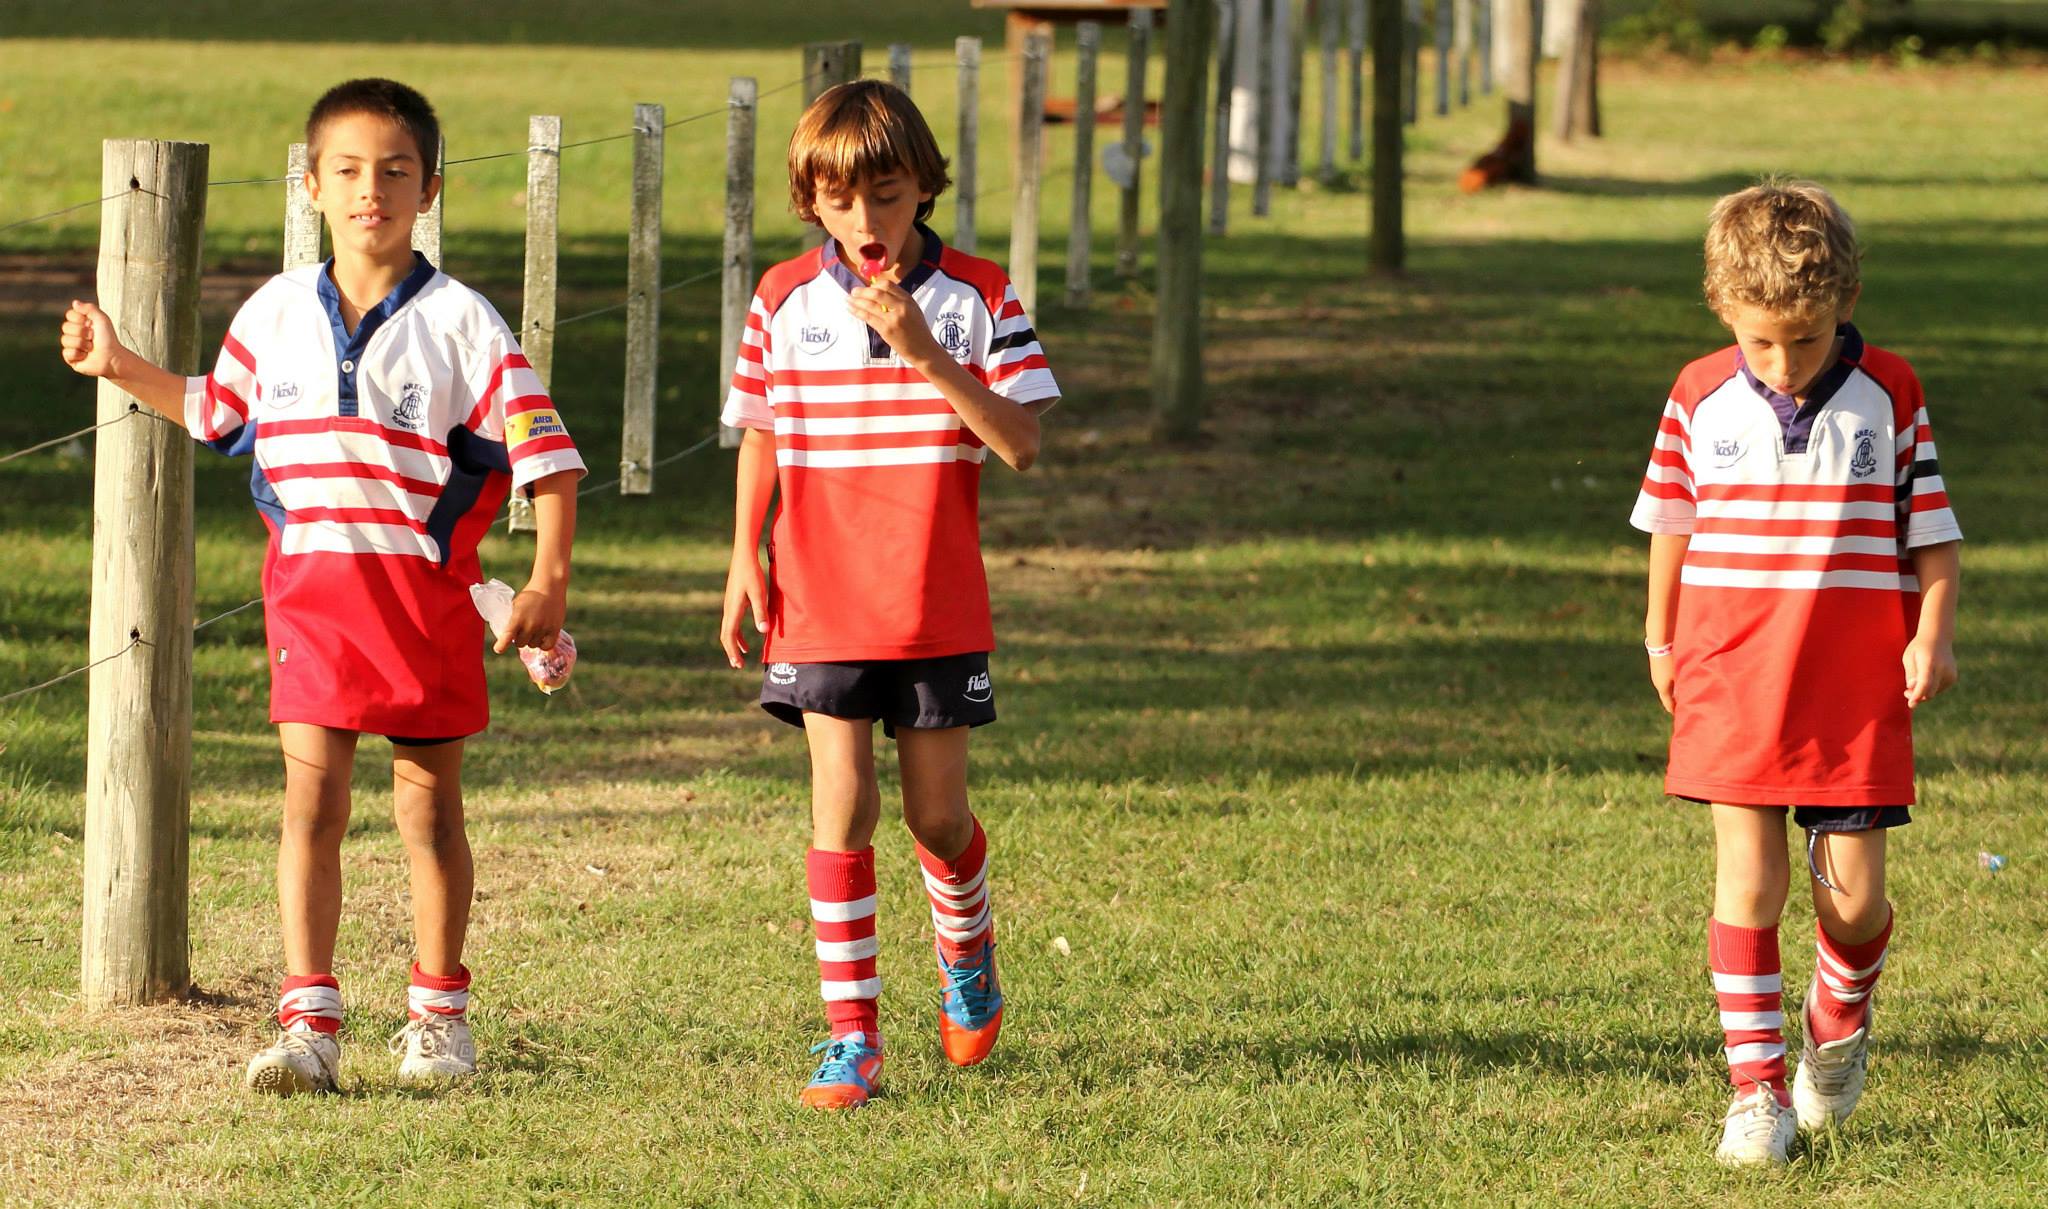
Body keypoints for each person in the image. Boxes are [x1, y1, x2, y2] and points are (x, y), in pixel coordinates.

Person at [59, 78, 585, 1094]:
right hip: (311, 599)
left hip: (425, 604)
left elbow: (548, 460)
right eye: (346, 170)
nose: (369, 191)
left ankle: (438, 1020)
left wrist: (550, 583)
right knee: (312, 806)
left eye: (394, 171)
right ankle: (309, 1025)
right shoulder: (274, 310)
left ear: (430, 187)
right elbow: (217, 410)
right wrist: (121, 364)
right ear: (310, 184)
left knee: (429, 815)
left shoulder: (465, 324)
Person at [718, 80, 1059, 1110]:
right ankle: (851, 1037)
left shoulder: (980, 296)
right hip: (819, 594)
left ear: (922, 191)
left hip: (933, 601)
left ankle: (967, 955)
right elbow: (763, 430)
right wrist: (744, 554)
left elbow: (1022, 444)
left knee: (936, 816)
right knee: (841, 805)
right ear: (810, 203)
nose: (864, 220)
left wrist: (926, 355)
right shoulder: (779, 297)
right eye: (838, 200)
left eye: (886, 194)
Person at [1630, 179, 1961, 1166]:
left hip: (1851, 684)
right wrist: (1660, 642)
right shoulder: (1696, 392)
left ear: (1844, 304)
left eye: (1806, 339)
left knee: (1852, 902)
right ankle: (1755, 1095)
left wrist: (1930, 633)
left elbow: (1931, 538)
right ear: (1721, 307)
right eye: (1761, 338)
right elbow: (1669, 529)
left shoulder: (1890, 392)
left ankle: (1834, 1029)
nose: (1780, 360)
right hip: (1731, 672)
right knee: (1748, 878)